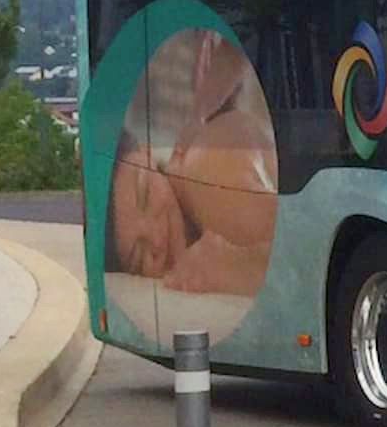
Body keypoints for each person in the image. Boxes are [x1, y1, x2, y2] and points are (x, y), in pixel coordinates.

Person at [105, 29, 278, 296]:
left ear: (149, 153)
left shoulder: (204, 173)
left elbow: (310, 250)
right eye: (139, 256)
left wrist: (244, 267)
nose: (158, 237)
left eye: (146, 195)